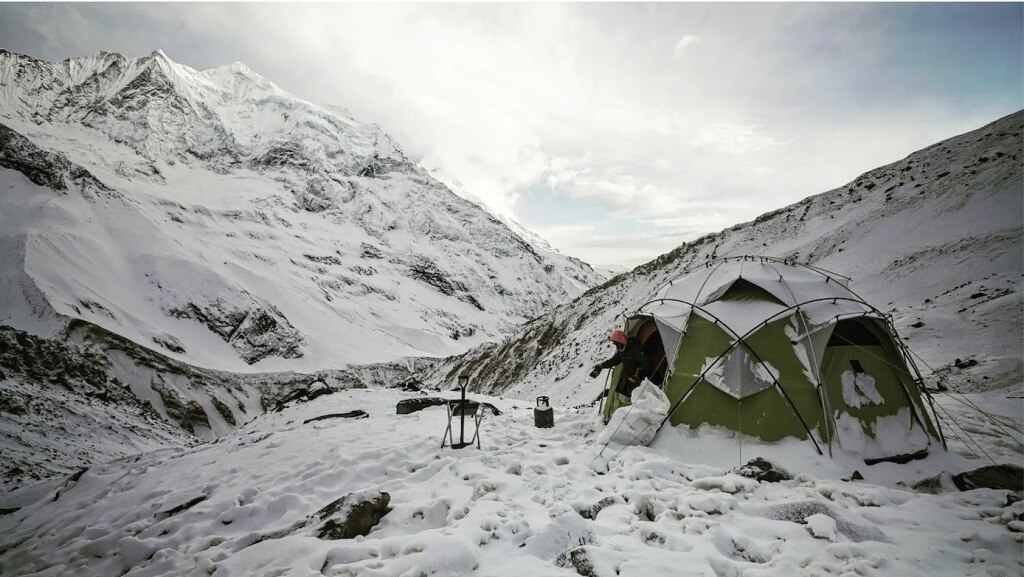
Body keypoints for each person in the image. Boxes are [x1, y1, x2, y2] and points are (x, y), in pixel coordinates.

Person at [589, 329, 650, 397]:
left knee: (632, 395)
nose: (617, 346)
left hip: (641, 378)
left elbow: (646, 361)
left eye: (617, 343)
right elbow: (614, 360)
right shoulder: (622, 351)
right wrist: (601, 366)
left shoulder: (634, 348)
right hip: (630, 377)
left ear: (621, 340)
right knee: (627, 393)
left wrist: (639, 374)